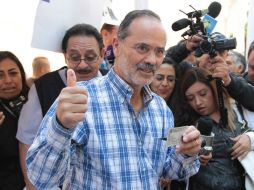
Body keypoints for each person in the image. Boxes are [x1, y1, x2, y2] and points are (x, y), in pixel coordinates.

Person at [26, 10, 201, 189]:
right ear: (116, 45)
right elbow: (41, 177)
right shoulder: (81, 100)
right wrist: (60, 126)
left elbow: (168, 171)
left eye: (159, 51)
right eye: (142, 48)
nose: (152, 60)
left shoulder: (161, 109)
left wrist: (186, 152)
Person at [16, 23, 106, 190]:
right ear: (65, 56)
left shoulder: (113, 84)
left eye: (90, 57)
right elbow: (26, 139)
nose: (82, 65)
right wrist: (32, 185)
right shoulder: (44, 86)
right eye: (74, 57)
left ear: (102, 54)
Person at [180, 67, 252, 190]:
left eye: (203, 94)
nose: (198, 102)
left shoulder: (238, 111)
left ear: (214, 90)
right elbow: (178, 167)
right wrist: (192, 156)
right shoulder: (188, 126)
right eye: (190, 98)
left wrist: (250, 138)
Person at [0, 51, 29, 189]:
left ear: (22, 75)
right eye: (0, 76)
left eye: (13, 73)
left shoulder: (38, 100)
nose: (8, 80)